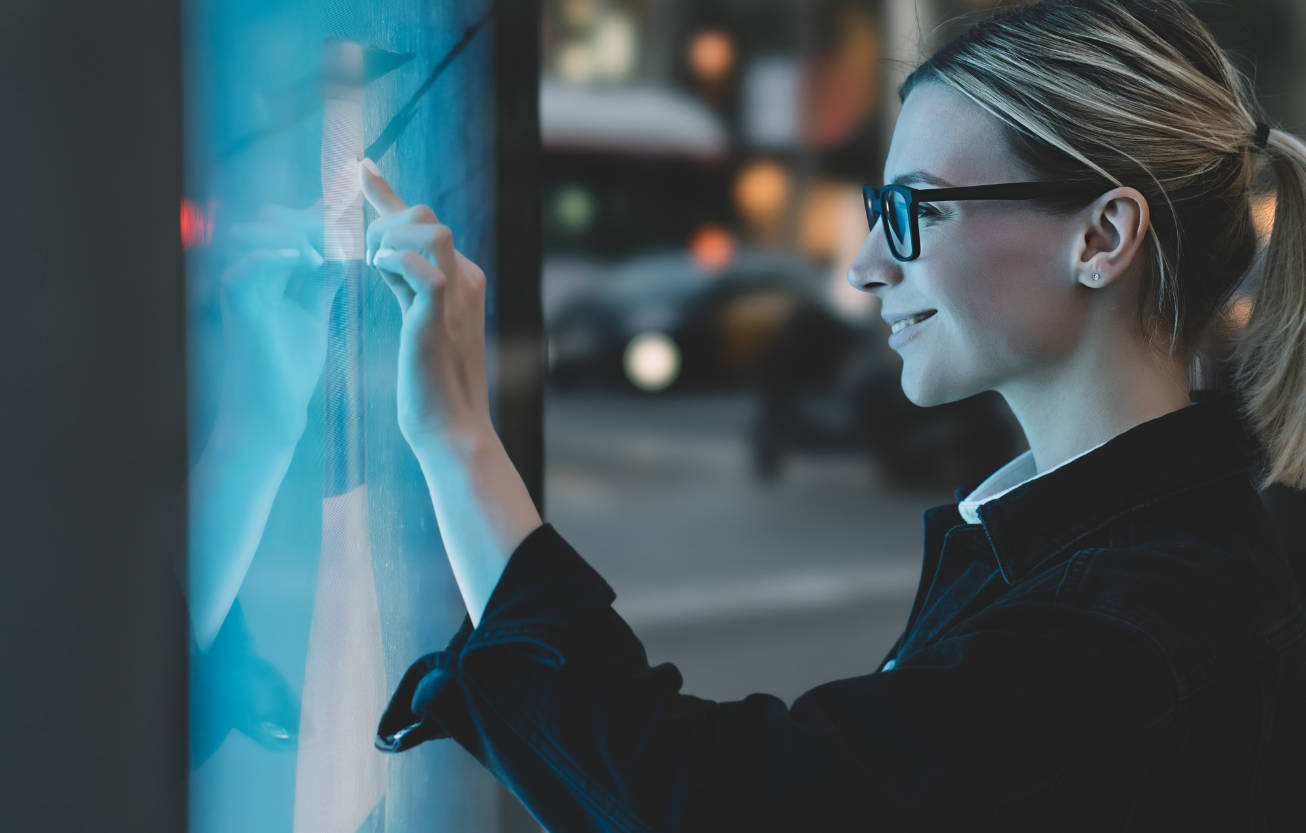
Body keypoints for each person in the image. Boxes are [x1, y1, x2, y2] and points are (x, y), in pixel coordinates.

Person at [364, 1, 1306, 829]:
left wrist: (457, 441)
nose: (863, 265)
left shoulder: (1135, 625)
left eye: (914, 211)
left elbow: (708, 802)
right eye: (875, 207)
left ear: (1102, 238)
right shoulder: (1135, 546)